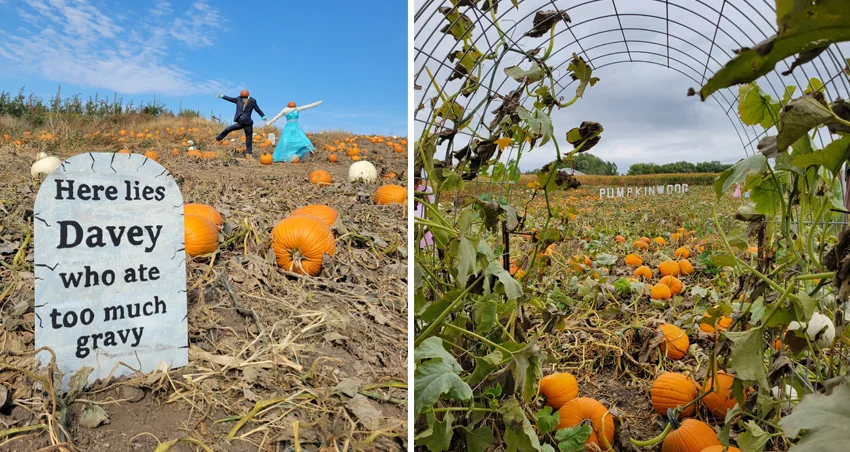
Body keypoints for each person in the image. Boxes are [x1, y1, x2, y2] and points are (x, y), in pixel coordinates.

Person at [215, 90, 267, 158]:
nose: (243, 99)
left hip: (248, 122)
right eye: (243, 97)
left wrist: (263, 116)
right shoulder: (238, 99)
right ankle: (218, 139)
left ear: (248, 96)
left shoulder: (252, 100)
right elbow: (230, 99)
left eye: (244, 97)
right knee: (228, 129)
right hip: (240, 122)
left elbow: (257, 109)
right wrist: (222, 96)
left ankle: (248, 153)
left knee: (249, 137)